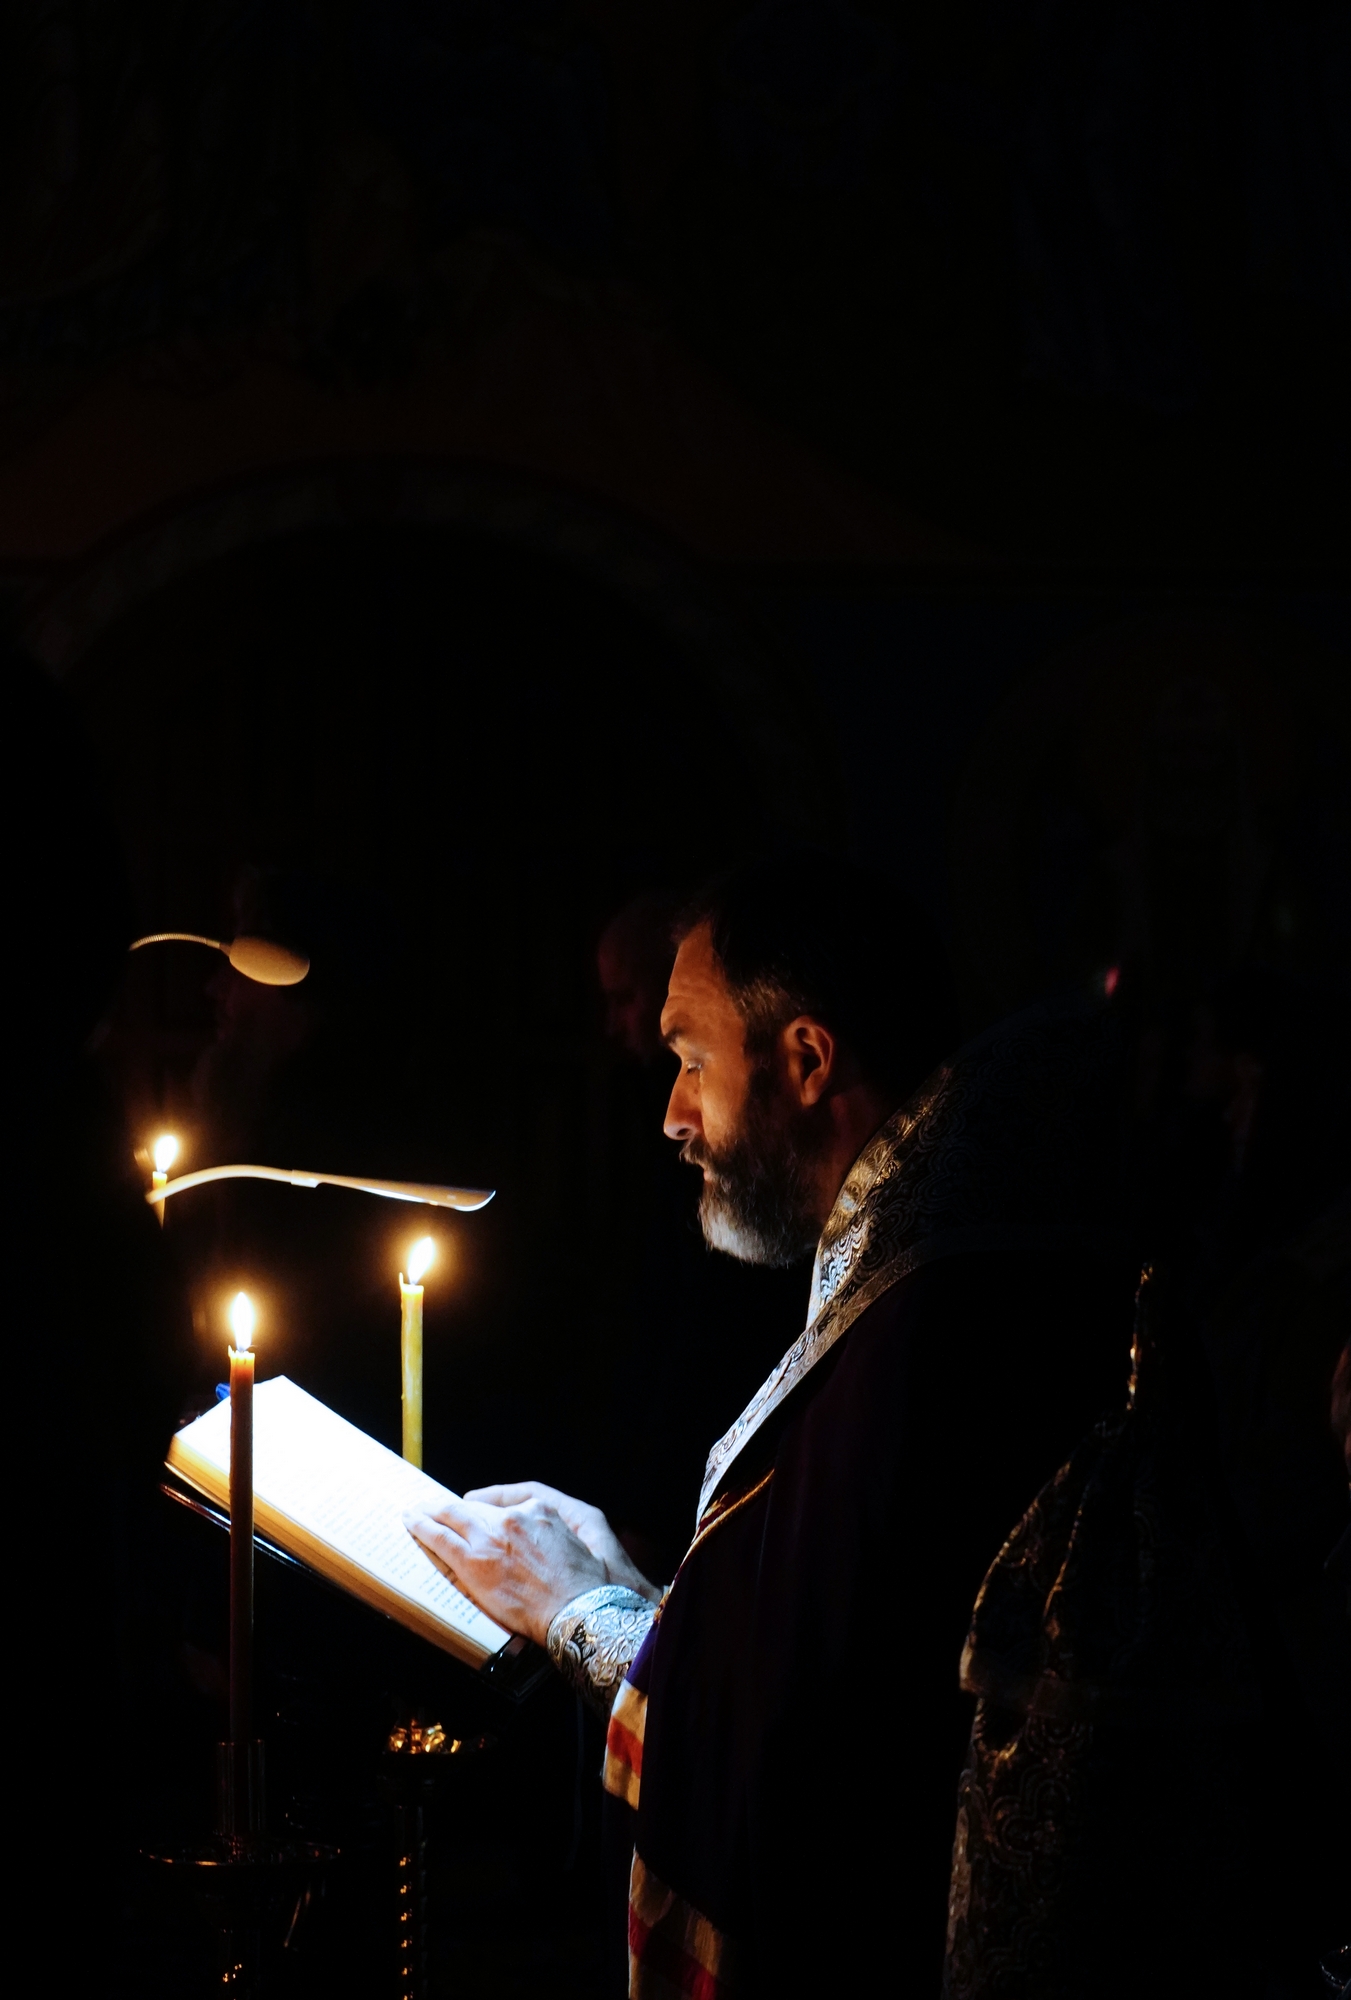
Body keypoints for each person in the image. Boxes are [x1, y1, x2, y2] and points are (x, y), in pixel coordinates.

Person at [404, 853, 1132, 1995]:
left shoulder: (933, 1329)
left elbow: (814, 1770)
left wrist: (581, 1611)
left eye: (691, 1059)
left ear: (803, 1057)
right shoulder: (918, 1261)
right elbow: (808, 1655)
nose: (671, 1113)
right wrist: (633, 1579)